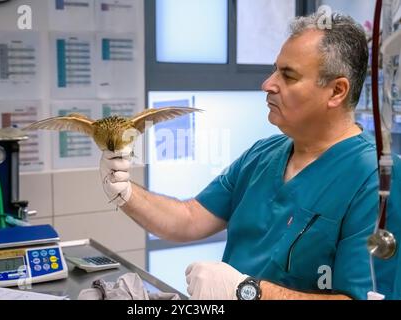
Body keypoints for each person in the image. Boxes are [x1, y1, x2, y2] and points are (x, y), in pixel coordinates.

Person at [100, 12, 383, 300]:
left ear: (336, 91)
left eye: (288, 75)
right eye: (275, 70)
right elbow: (189, 218)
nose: (268, 84)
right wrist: (125, 191)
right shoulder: (263, 155)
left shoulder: (374, 179)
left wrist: (247, 291)